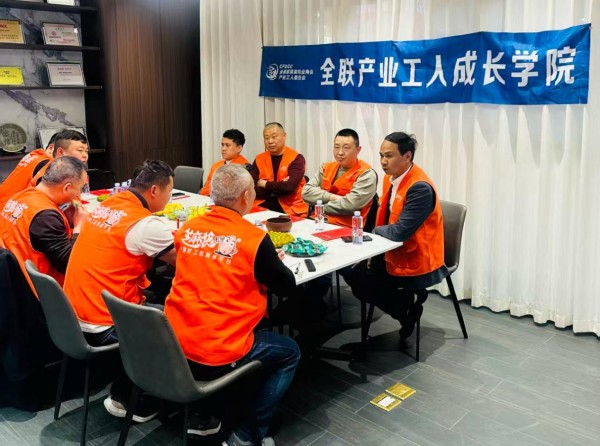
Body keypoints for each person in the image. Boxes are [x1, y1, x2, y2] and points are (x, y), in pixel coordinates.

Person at [164, 163, 301, 446]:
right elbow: (286, 286)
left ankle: (212, 412)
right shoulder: (253, 238)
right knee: (290, 351)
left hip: (173, 342)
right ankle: (248, 435)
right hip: (218, 350)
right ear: (245, 196)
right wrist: (268, 263)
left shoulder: (189, 228)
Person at [63, 159, 177, 422]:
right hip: (102, 321)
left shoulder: (108, 206)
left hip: (73, 312)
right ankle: (134, 399)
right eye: (170, 192)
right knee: (173, 323)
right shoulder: (144, 224)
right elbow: (184, 262)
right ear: (154, 191)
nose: (169, 198)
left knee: (155, 301)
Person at [345, 132, 447, 339]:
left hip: (417, 259)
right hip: (393, 250)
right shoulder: (390, 178)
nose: (383, 161)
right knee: (351, 271)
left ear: (407, 156)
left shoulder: (420, 188)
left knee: (363, 283)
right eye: (381, 155)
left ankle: (406, 309)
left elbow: (400, 231)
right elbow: (386, 220)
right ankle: (405, 305)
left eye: (389, 156)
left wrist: (374, 233)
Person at [0, 156, 88, 292]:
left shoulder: (20, 196)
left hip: (11, 281)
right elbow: (68, 264)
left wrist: (67, 219)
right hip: (37, 292)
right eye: (80, 189)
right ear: (67, 187)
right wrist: (78, 227)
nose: (78, 194)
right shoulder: (45, 216)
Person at [302, 128, 377, 227]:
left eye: (346, 147)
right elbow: (306, 192)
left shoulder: (366, 173)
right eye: (336, 147)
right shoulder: (326, 167)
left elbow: (351, 205)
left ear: (358, 150)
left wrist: (319, 206)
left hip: (347, 228)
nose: (340, 152)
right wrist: (333, 197)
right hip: (318, 221)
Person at [0, 129, 89, 211]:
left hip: (8, 208)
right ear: (58, 151)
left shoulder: (35, 155)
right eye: (80, 150)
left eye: (86, 151)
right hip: (12, 211)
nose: (85, 155)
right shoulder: (49, 167)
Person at [249, 122, 308, 216]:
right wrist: (278, 189)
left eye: (274, 137)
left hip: (290, 207)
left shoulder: (296, 158)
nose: (270, 141)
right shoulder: (259, 159)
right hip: (263, 205)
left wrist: (263, 183)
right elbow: (251, 188)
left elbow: (288, 187)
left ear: (284, 136)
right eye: (266, 138)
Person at [200, 129, 249, 196]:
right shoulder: (216, 165)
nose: (223, 149)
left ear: (239, 148)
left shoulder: (244, 168)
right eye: (222, 145)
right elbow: (206, 188)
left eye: (227, 145)